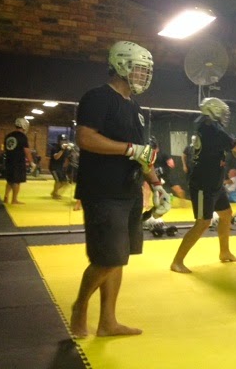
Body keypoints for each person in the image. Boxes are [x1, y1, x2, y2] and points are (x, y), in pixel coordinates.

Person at [70, 41, 170, 339]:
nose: (144, 76)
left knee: (120, 257)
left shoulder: (135, 108)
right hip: (102, 191)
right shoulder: (98, 97)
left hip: (129, 191)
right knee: (108, 258)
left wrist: (157, 184)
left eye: (147, 71)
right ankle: (79, 306)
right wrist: (128, 149)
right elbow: (85, 138)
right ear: (121, 65)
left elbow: (141, 152)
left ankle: (108, 322)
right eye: (140, 69)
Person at [170, 97, 236, 273]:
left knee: (226, 214)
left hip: (215, 183)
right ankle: (177, 261)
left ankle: (224, 252)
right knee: (203, 223)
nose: (224, 116)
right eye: (222, 112)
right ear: (214, 112)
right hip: (203, 185)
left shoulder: (207, 127)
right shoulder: (212, 130)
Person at [3, 118, 34, 204]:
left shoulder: (8, 135)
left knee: (10, 180)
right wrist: (31, 162)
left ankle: (6, 197)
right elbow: (26, 150)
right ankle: (14, 200)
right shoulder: (22, 136)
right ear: (24, 125)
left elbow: (5, 149)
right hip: (18, 161)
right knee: (16, 181)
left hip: (8, 160)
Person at [49, 134, 72, 199]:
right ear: (59, 141)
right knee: (58, 181)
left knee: (65, 182)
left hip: (60, 167)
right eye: (62, 140)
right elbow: (56, 157)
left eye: (65, 140)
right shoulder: (55, 148)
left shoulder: (67, 149)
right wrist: (62, 150)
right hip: (54, 167)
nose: (63, 142)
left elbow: (67, 158)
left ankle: (54, 192)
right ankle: (55, 194)